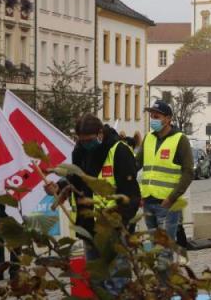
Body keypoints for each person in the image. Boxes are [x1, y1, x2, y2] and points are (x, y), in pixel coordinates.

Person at [45, 115, 140, 294]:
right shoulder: (80, 151)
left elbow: (132, 195)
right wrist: (58, 187)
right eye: (80, 140)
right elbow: (77, 181)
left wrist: (119, 223)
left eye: (88, 140)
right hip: (89, 228)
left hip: (114, 229)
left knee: (118, 283)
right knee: (97, 283)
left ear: (100, 133)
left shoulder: (119, 151)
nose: (84, 144)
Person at [138, 100, 193, 241]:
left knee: (166, 247)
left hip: (167, 204)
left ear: (168, 119)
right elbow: (135, 164)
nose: (153, 120)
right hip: (148, 202)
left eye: (157, 117)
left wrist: (172, 198)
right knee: (154, 246)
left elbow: (188, 172)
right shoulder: (148, 138)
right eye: (152, 117)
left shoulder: (180, 139)